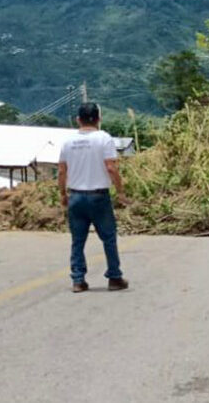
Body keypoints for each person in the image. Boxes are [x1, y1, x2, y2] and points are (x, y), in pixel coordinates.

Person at [58, 102, 129, 293]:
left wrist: (63, 194)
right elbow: (111, 167)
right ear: (98, 119)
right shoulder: (104, 138)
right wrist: (120, 191)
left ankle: (78, 280)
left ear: (78, 120)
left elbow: (62, 171)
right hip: (99, 196)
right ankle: (114, 277)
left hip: (76, 196)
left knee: (77, 240)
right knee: (108, 238)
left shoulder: (68, 142)